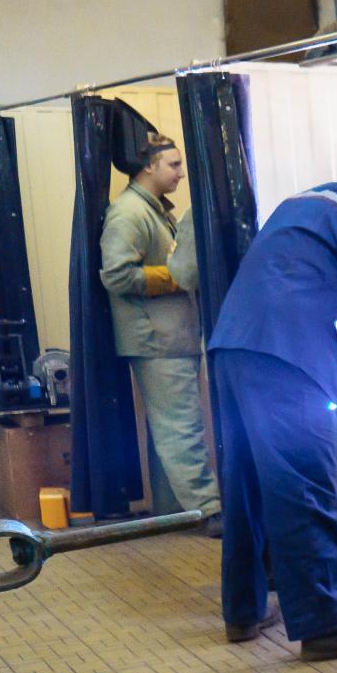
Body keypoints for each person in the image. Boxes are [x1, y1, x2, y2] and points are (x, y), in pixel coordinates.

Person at [209, 161, 337, 661]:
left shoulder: (304, 205)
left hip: (234, 348)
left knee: (245, 485)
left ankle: (243, 610)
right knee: (304, 486)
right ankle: (326, 626)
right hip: (289, 358)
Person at [98, 136, 222, 533]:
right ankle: (209, 509)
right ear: (148, 166)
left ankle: (172, 512)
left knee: (169, 427)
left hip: (169, 336)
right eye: (174, 164)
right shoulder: (130, 213)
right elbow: (117, 275)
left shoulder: (153, 210)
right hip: (158, 340)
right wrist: (177, 277)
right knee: (181, 427)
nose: (181, 173)